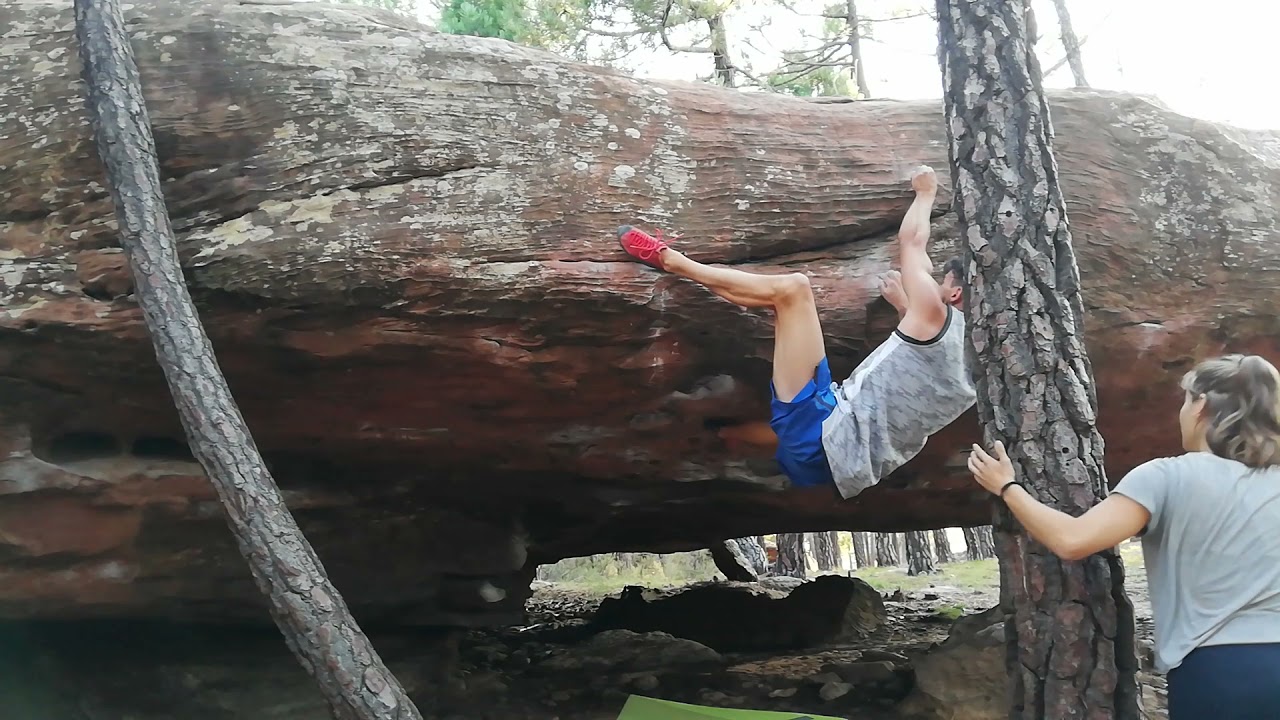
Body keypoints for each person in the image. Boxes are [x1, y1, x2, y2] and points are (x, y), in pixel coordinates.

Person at [615, 165, 976, 499]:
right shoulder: (982, 368)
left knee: (792, 291)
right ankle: (723, 438)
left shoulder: (933, 315)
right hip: (846, 467)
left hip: (821, 431)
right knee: (774, 426)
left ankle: (671, 261)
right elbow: (925, 365)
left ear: (956, 294)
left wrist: (925, 193)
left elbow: (912, 243)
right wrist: (902, 307)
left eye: (944, 285)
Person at [968, 354, 1280, 720]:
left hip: (1217, 672)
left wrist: (1007, 487)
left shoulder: (1167, 477)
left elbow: (1072, 539)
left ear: (1201, 406)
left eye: (1185, 401)